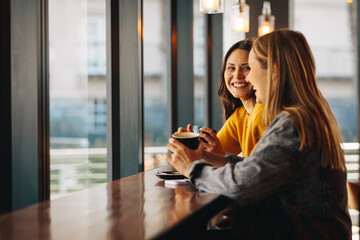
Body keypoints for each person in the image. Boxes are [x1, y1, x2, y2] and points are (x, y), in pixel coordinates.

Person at [165, 29, 352, 239]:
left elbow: (241, 183)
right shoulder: (305, 116)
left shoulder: (293, 124)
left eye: (250, 68)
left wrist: (192, 168)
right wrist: (202, 156)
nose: (248, 78)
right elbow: (260, 169)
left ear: (273, 70)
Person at [181, 39, 266, 157]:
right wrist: (192, 145)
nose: (237, 75)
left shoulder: (265, 115)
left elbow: (258, 171)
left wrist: (220, 157)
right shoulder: (240, 115)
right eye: (231, 68)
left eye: (246, 67)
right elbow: (212, 154)